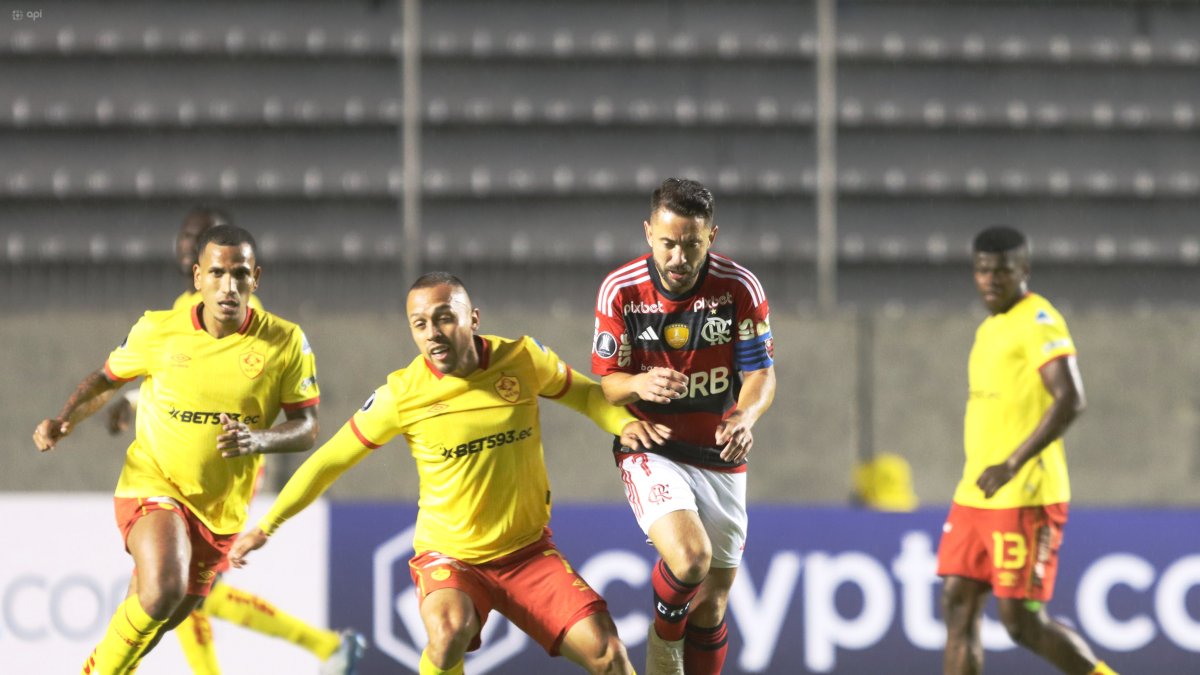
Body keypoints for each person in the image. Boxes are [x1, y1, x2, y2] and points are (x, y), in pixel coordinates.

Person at [230, 272, 671, 675]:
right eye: (419, 324)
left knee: (608, 654)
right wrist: (268, 525)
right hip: (451, 557)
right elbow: (329, 460)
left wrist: (624, 423)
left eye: (443, 318)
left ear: (472, 318)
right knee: (447, 634)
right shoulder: (400, 394)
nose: (432, 334)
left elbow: (588, 396)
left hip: (527, 552)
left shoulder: (521, 359)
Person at [34, 225, 324, 675]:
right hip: (154, 482)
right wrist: (65, 417)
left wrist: (258, 439)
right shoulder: (159, 329)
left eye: (240, 274)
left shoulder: (285, 341)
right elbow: (107, 378)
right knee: (165, 588)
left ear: (256, 279)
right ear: (197, 277)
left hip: (222, 507)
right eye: (217, 273)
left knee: (162, 615)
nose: (229, 286)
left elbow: (306, 427)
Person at [103, 207, 366, 675]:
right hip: (192, 473)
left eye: (197, 238)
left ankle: (323, 646)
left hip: (227, 473)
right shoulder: (184, 311)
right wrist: (131, 398)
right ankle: (325, 647)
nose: (187, 245)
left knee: (180, 588)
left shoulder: (242, 312)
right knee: (171, 590)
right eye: (186, 238)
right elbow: (183, 379)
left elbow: (239, 386)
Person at [592, 178, 777, 675]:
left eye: (691, 245)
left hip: (719, 453)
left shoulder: (739, 288)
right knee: (691, 559)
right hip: (652, 446)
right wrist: (639, 384)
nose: (678, 257)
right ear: (649, 232)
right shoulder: (621, 290)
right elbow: (607, 384)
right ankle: (662, 641)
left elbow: (761, 372)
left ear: (710, 238)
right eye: (668, 243)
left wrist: (745, 415)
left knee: (713, 606)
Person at [937, 226, 1117, 675]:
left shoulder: (1039, 319)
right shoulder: (989, 329)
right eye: (982, 271)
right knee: (958, 603)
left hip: (1024, 491)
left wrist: (1012, 464)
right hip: (976, 493)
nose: (990, 280)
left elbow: (1071, 398)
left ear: (1024, 271)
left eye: (1001, 271)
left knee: (1021, 623)